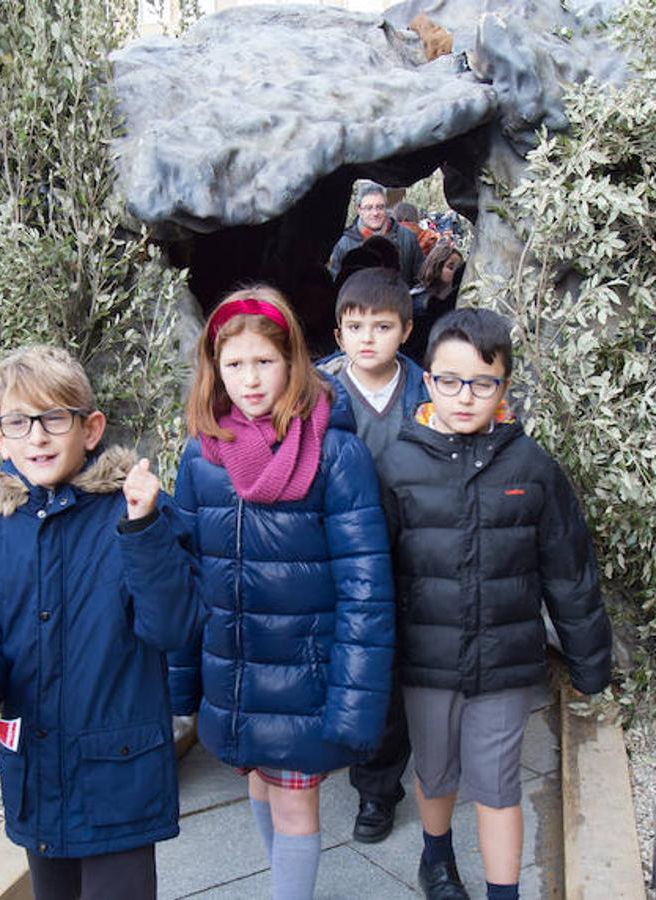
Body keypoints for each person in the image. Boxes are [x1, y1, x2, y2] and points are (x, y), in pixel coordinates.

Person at [0, 345, 199, 900]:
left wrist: (145, 529)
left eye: (55, 418)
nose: (38, 436)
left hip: (118, 774)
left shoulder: (136, 510)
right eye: (20, 421)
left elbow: (173, 628)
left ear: (90, 428)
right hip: (38, 771)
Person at [376, 309, 614, 900]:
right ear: (426, 381)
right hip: (425, 660)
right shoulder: (396, 465)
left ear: (504, 386)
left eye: (483, 382)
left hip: (506, 661)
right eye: (450, 381)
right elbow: (372, 573)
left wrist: (589, 661)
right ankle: (437, 860)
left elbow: (569, 568)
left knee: (498, 783)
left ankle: (503, 892)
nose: (465, 396)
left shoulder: (531, 467)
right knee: (434, 773)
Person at [170, 286, 395, 900]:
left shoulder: (336, 454)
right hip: (237, 673)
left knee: (297, 806)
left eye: (263, 362)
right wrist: (183, 678)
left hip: (306, 677)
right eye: (234, 363)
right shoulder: (202, 454)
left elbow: (366, 592)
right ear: (214, 368)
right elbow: (188, 575)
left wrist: (355, 701)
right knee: (259, 785)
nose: (249, 379)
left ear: (293, 361)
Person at [314, 267, 430, 843]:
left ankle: (395, 783)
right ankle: (367, 777)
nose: (368, 338)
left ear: (406, 330)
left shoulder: (430, 391)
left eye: (382, 326)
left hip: (417, 552)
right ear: (338, 334)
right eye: (355, 326)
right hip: (345, 555)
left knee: (405, 668)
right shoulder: (317, 392)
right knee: (362, 669)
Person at [328, 181, 425, 283]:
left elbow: (420, 280)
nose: (375, 213)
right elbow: (337, 284)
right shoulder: (343, 244)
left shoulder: (408, 238)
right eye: (369, 208)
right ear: (359, 210)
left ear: (386, 207)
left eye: (380, 207)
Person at [404, 241, 466, 365]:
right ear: (437, 266)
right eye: (450, 267)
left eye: (457, 269)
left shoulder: (458, 299)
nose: (454, 272)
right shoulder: (419, 299)